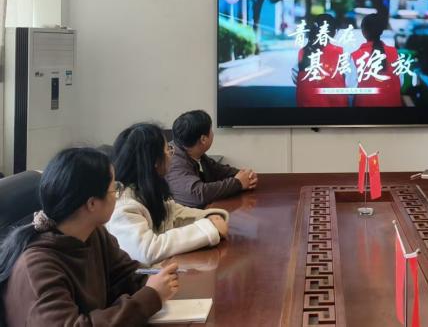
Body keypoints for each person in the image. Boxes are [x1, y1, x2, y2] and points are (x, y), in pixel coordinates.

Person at [0, 147, 178, 326]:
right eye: (114, 189)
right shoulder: (37, 266)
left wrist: (157, 280)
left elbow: (126, 275)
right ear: (92, 203)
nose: (118, 195)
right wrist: (151, 296)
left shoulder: (93, 233)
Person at [107, 123, 230, 265]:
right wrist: (207, 229)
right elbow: (148, 250)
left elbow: (173, 212)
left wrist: (208, 217)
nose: (171, 155)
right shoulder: (124, 206)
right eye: (168, 149)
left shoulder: (146, 189)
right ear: (155, 161)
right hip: (143, 277)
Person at [166, 110, 258, 208]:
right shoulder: (173, 160)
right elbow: (197, 195)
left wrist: (246, 176)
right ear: (203, 139)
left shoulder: (193, 152)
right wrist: (238, 183)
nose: (213, 133)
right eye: (211, 130)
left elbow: (217, 170)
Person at [296, 14, 349, 107]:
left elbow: (297, 79)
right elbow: (351, 83)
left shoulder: (302, 52)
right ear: (334, 32)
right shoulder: (341, 53)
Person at [351, 13, 402, 107]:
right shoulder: (394, 52)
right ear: (381, 31)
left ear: (363, 31)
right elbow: (400, 82)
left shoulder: (355, 56)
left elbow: (351, 86)